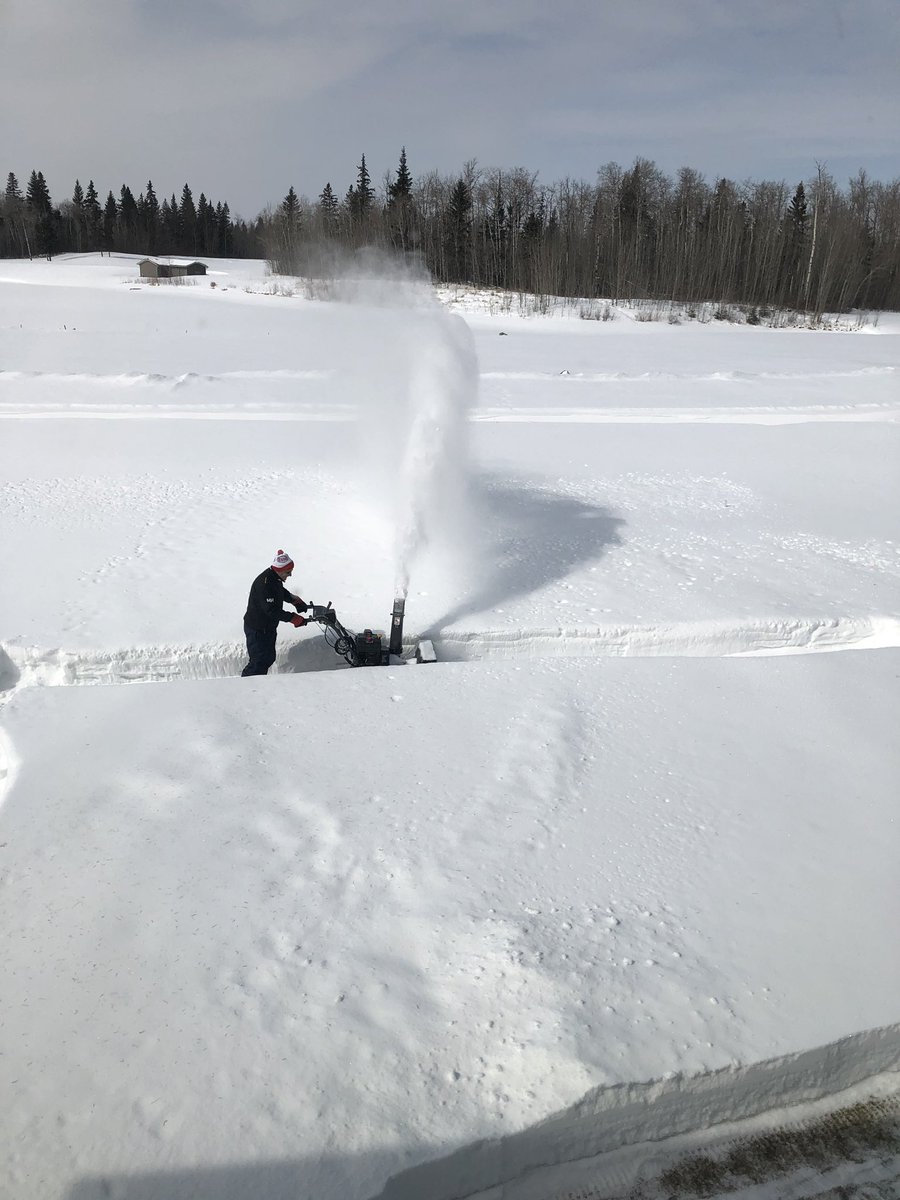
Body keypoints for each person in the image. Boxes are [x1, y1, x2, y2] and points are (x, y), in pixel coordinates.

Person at [241, 549, 309, 677]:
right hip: (257, 629)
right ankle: (247, 688)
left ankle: (258, 688)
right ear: (279, 570)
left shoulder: (274, 578)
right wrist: (293, 618)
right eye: (288, 572)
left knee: (268, 658)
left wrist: (294, 600)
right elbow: (271, 611)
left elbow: (280, 592)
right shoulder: (265, 583)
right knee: (258, 663)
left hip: (268, 628)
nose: (290, 575)